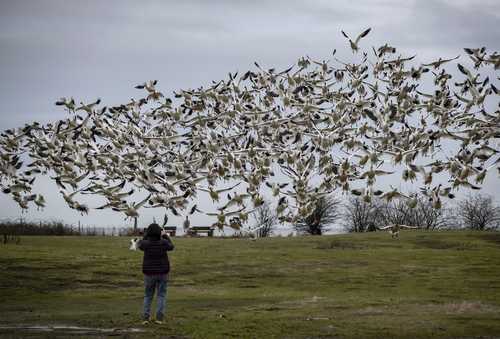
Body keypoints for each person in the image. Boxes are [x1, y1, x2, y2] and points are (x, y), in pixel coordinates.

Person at [138, 223, 174, 324]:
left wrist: (146, 235)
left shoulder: (145, 244)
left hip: (149, 273)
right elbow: (172, 246)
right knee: (161, 295)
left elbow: (140, 244)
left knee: (148, 295)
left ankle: (145, 318)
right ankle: (159, 318)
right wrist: (165, 235)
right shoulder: (163, 243)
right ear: (159, 233)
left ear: (148, 233)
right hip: (163, 272)